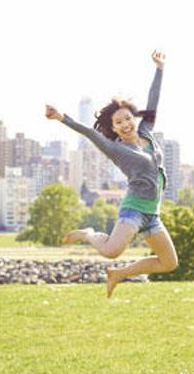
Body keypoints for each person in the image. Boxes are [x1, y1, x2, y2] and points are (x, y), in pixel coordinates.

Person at [45, 50, 178, 298]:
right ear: (114, 128)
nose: (126, 124)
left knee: (169, 263)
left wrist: (160, 69)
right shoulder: (116, 149)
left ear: (133, 118)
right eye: (119, 123)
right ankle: (88, 234)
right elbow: (90, 133)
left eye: (128, 118)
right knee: (110, 251)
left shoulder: (147, 132)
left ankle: (118, 274)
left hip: (153, 214)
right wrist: (61, 117)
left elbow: (154, 101)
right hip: (134, 210)